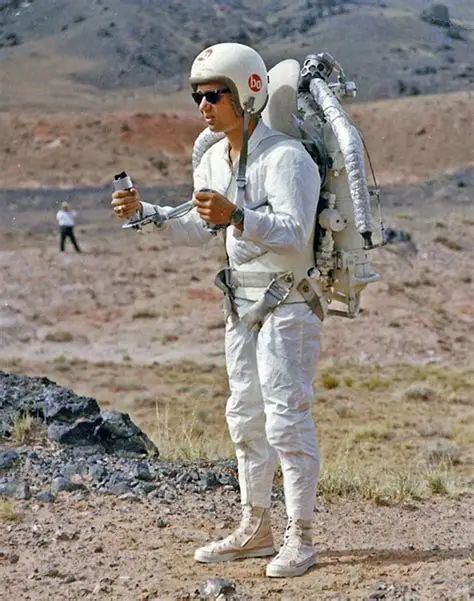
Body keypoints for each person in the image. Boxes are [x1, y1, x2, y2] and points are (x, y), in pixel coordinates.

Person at [111, 42, 325, 578]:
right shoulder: (213, 159)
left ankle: (301, 535)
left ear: (247, 93)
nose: (204, 106)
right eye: (198, 97)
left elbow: (296, 234)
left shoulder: (286, 158)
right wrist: (146, 213)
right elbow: (197, 225)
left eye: (215, 94)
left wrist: (239, 216)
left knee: (286, 418)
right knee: (245, 416)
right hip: (240, 303)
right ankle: (256, 527)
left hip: (288, 301)